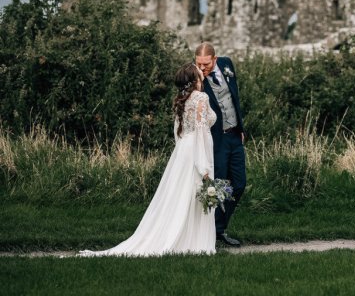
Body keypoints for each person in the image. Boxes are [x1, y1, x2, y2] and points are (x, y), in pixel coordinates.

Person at [80, 63, 217, 256]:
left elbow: (179, 132)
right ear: (195, 80)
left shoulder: (181, 99)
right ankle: (193, 241)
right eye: (200, 76)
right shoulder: (201, 97)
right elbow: (202, 131)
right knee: (197, 190)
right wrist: (205, 167)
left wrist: (181, 153)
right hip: (197, 149)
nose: (202, 78)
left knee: (181, 194)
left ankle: (183, 237)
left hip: (184, 150)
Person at [195, 42, 246, 247]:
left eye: (206, 64)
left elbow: (234, 98)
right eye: (198, 63)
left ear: (215, 60)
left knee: (239, 184)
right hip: (217, 139)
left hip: (235, 135)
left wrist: (241, 129)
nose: (202, 68)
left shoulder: (227, 65)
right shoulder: (196, 78)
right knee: (218, 186)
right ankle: (216, 231)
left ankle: (220, 226)